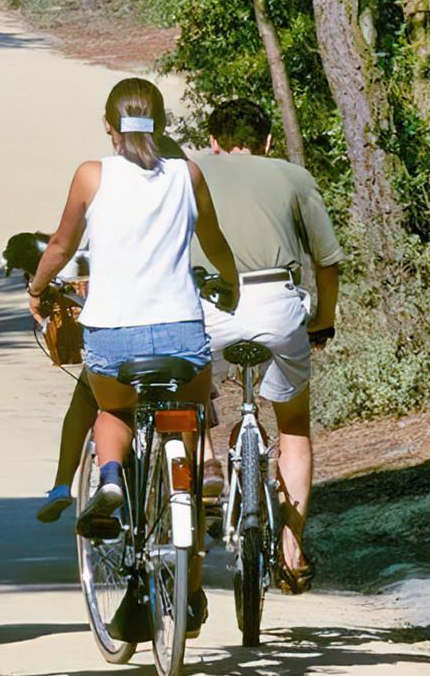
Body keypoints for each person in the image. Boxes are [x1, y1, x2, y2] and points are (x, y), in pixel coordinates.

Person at [23, 77, 240, 553]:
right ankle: (203, 464)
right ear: (162, 124)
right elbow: (215, 242)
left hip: (114, 335)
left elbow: (61, 246)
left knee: (111, 408)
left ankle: (110, 476)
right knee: (191, 403)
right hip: (180, 332)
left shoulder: (91, 175)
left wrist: (38, 288)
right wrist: (232, 281)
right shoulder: (189, 174)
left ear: (108, 124)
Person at [193, 98, 342, 594]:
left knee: (192, 396)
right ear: (268, 142)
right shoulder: (292, 176)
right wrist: (323, 319)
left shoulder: (189, 171)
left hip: (211, 305)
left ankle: (209, 462)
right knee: (293, 425)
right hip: (277, 302)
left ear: (212, 141)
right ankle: (292, 548)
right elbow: (327, 261)